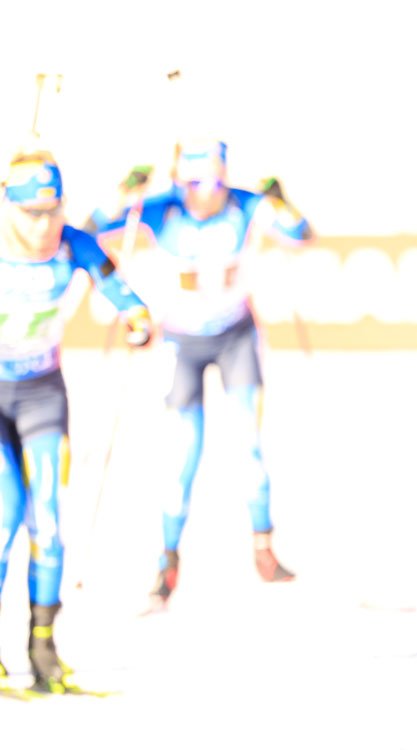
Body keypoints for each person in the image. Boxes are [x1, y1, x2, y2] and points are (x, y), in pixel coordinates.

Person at [95, 140, 312, 607]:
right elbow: (98, 225)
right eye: (193, 184)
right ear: (179, 182)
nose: (203, 194)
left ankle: (264, 550)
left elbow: (300, 233)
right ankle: (167, 564)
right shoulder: (162, 211)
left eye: (212, 182)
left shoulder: (245, 205)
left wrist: (281, 197)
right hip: (183, 341)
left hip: (236, 335)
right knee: (182, 456)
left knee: (250, 446)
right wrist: (123, 191)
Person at [0, 150, 151, 692]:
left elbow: (124, 295)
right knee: (3, 519)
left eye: (53, 211)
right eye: (30, 213)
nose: (44, 226)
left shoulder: (74, 245)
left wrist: (138, 320)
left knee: (49, 523)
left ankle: (43, 649)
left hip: (41, 392)